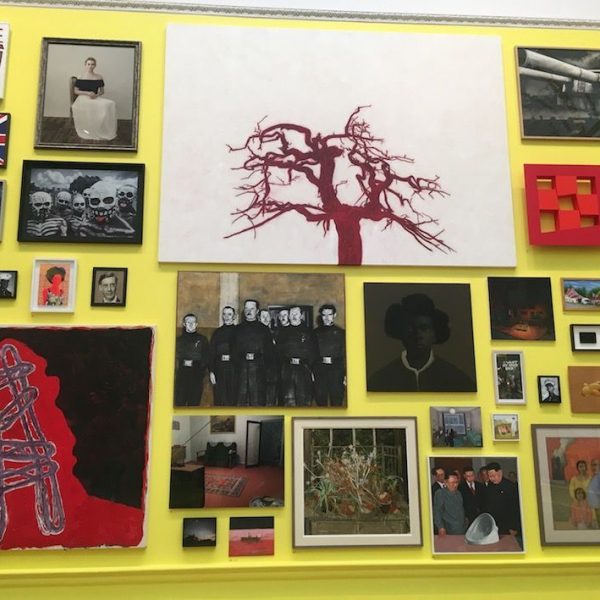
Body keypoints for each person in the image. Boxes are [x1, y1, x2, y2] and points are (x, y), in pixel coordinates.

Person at [367, 293, 475, 392]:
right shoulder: (380, 380)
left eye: (424, 328)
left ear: (435, 334)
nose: (418, 335)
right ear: (400, 332)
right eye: (410, 328)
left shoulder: (458, 380)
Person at [231, 299, 274, 406]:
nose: (249, 311)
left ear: (257, 311)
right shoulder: (237, 329)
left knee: (257, 399)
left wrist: (264, 368)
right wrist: (238, 365)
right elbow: (233, 350)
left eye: (252, 308)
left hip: (258, 368)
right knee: (240, 400)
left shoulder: (264, 329)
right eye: (246, 308)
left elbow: (269, 352)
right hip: (241, 368)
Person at [276, 306, 317, 406]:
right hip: (287, 368)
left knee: (303, 398)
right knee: (288, 398)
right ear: (289, 316)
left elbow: (314, 352)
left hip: (303, 368)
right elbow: (278, 352)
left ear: (301, 315)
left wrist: (310, 368)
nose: (294, 316)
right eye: (291, 314)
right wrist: (282, 367)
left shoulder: (309, 332)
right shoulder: (282, 332)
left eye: (296, 314)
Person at [72, 57, 117, 141]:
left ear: (95, 66)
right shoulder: (80, 76)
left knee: (110, 103)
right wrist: (87, 93)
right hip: (82, 98)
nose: (90, 66)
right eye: (88, 64)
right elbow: (75, 91)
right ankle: (89, 128)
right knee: (92, 105)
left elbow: (102, 91)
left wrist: (96, 95)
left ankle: (100, 127)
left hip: (94, 97)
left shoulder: (99, 77)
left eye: (92, 64)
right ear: (85, 65)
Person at [313, 304, 346, 407]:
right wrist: (312, 371)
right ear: (321, 316)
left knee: (336, 398)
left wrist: (345, 374)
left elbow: (345, 355)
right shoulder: (314, 333)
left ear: (334, 315)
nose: (326, 318)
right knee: (320, 398)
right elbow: (312, 354)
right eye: (324, 315)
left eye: (329, 315)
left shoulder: (342, 333)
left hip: (336, 370)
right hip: (320, 369)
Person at [174, 313, 210, 407]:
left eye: (193, 322)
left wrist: (200, 372)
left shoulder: (202, 339)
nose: (190, 324)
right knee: (180, 403)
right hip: (182, 375)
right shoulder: (178, 340)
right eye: (188, 322)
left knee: (194, 403)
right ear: (184, 324)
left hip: (196, 375)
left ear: (196, 324)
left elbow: (206, 357)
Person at [209, 306, 237, 406]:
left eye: (229, 314)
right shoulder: (217, 332)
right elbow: (211, 352)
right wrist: (211, 371)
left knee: (232, 398)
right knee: (219, 398)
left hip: (234, 369)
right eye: (224, 314)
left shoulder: (238, 331)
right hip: (219, 368)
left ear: (234, 316)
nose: (226, 317)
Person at [484, 462, 521, 537]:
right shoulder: (489, 487)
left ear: (500, 472)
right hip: (494, 526)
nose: (492, 478)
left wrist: (513, 527)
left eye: (494, 476)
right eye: (490, 476)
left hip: (508, 526)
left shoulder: (510, 486)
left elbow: (515, 509)